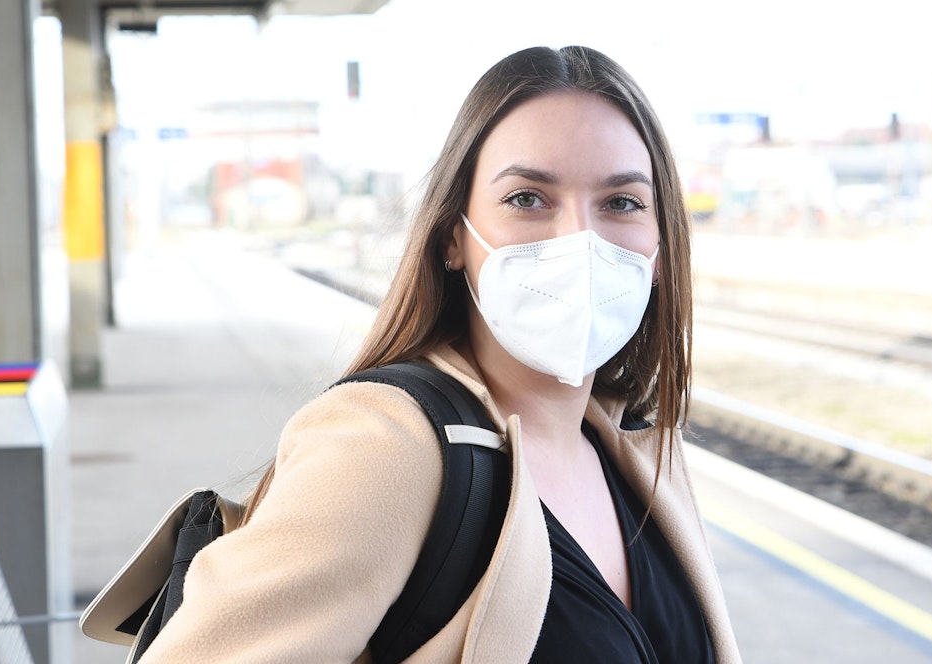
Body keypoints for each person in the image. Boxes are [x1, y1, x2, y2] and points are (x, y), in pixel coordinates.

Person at [136, 45, 741, 663]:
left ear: (662, 246)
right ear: (454, 237)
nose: (579, 239)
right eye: (527, 198)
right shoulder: (386, 445)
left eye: (622, 203)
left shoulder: (637, 448)